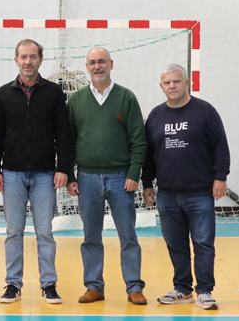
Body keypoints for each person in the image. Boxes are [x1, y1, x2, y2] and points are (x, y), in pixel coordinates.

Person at [141, 63, 230, 311]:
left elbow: (220, 147)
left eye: (177, 81)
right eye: (167, 82)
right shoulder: (156, 115)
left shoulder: (205, 111)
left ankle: (204, 291)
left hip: (200, 192)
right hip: (167, 194)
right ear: (161, 87)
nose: (172, 86)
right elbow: (149, 155)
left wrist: (220, 177)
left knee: (203, 244)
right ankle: (182, 289)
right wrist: (147, 183)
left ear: (187, 83)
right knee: (175, 244)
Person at [0, 39, 71, 305]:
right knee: (13, 231)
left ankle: (49, 283)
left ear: (40, 60)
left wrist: (63, 168)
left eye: (33, 57)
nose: (28, 61)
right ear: (16, 59)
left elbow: (63, 133)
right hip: (11, 174)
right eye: (23, 57)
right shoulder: (3, 93)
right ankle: (13, 283)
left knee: (44, 232)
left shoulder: (54, 92)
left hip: (45, 174)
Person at [66, 47, 147, 305]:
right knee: (91, 237)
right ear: (87, 67)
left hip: (121, 178)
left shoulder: (126, 97)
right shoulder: (76, 100)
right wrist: (70, 175)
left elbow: (138, 139)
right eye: (92, 62)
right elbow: (67, 142)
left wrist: (134, 173)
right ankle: (94, 286)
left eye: (102, 61)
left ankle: (134, 287)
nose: (97, 66)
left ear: (111, 64)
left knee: (128, 236)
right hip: (87, 178)